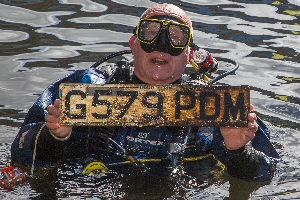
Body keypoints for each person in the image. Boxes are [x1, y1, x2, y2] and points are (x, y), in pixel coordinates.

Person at [11, 3, 280, 184]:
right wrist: (53, 136)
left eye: (176, 38)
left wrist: (238, 150)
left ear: (189, 56)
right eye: (150, 33)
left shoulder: (217, 106)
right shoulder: (86, 88)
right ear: (134, 45)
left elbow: (267, 173)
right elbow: (21, 154)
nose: (161, 45)